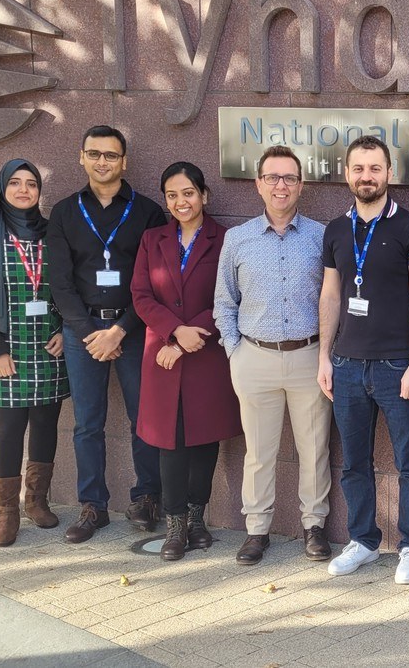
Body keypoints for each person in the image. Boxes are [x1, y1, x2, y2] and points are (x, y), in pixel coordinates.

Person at [317, 135, 409, 584]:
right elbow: (330, 295)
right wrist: (324, 357)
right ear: (347, 173)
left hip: (395, 367)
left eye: (375, 168)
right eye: (358, 168)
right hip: (346, 365)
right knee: (353, 461)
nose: (366, 176)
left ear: (390, 173)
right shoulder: (335, 229)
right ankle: (363, 541)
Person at [46, 125, 167, 543]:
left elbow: (155, 281)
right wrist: (89, 333)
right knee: (87, 424)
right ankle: (92, 505)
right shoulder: (63, 213)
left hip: (133, 328)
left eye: (111, 155)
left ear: (124, 161)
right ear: (82, 157)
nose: (102, 162)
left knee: (143, 419)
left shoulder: (148, 212)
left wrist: (118, 330)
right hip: (83, 332)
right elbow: (59, 283)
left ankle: (147, 497)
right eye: (94, 154)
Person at [214, 146, 332, 566]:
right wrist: (235, 353)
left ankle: (314, 526)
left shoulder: (322, 236)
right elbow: (224, 303)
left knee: (313, 447)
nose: (281, 185)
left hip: (309, 355)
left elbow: (333, 299)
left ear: (301, 185)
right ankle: (256, 530)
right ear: (259, 184)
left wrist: (327, 354)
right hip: (254, 357)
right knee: (259, 450)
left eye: (289, 178)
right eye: (273, 177)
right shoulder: (238, 238)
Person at [131, 161, 239, 561]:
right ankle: (174, 523)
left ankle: (197, 518)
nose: (181, 202)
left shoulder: (226, 239)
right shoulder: (151, 240)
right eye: (172, 195)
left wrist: (187, 337)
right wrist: (174, 333)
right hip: (162, 356)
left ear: (204, 195)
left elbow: (231, 297)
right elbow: (141, 296)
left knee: (204, 440)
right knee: (170, 442)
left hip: (205, 354)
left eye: (188, 193)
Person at [0, 159, 70, 547]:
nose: (24, 190)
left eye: (32, 184)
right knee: (9, 429)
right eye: (15, 183)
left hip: (48, 343)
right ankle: (7, 513)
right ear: (1, 188)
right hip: (5, 346)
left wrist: (64, 330)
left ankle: (36, 502)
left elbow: (65, 285)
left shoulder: (51, 233)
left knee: (45, 424)